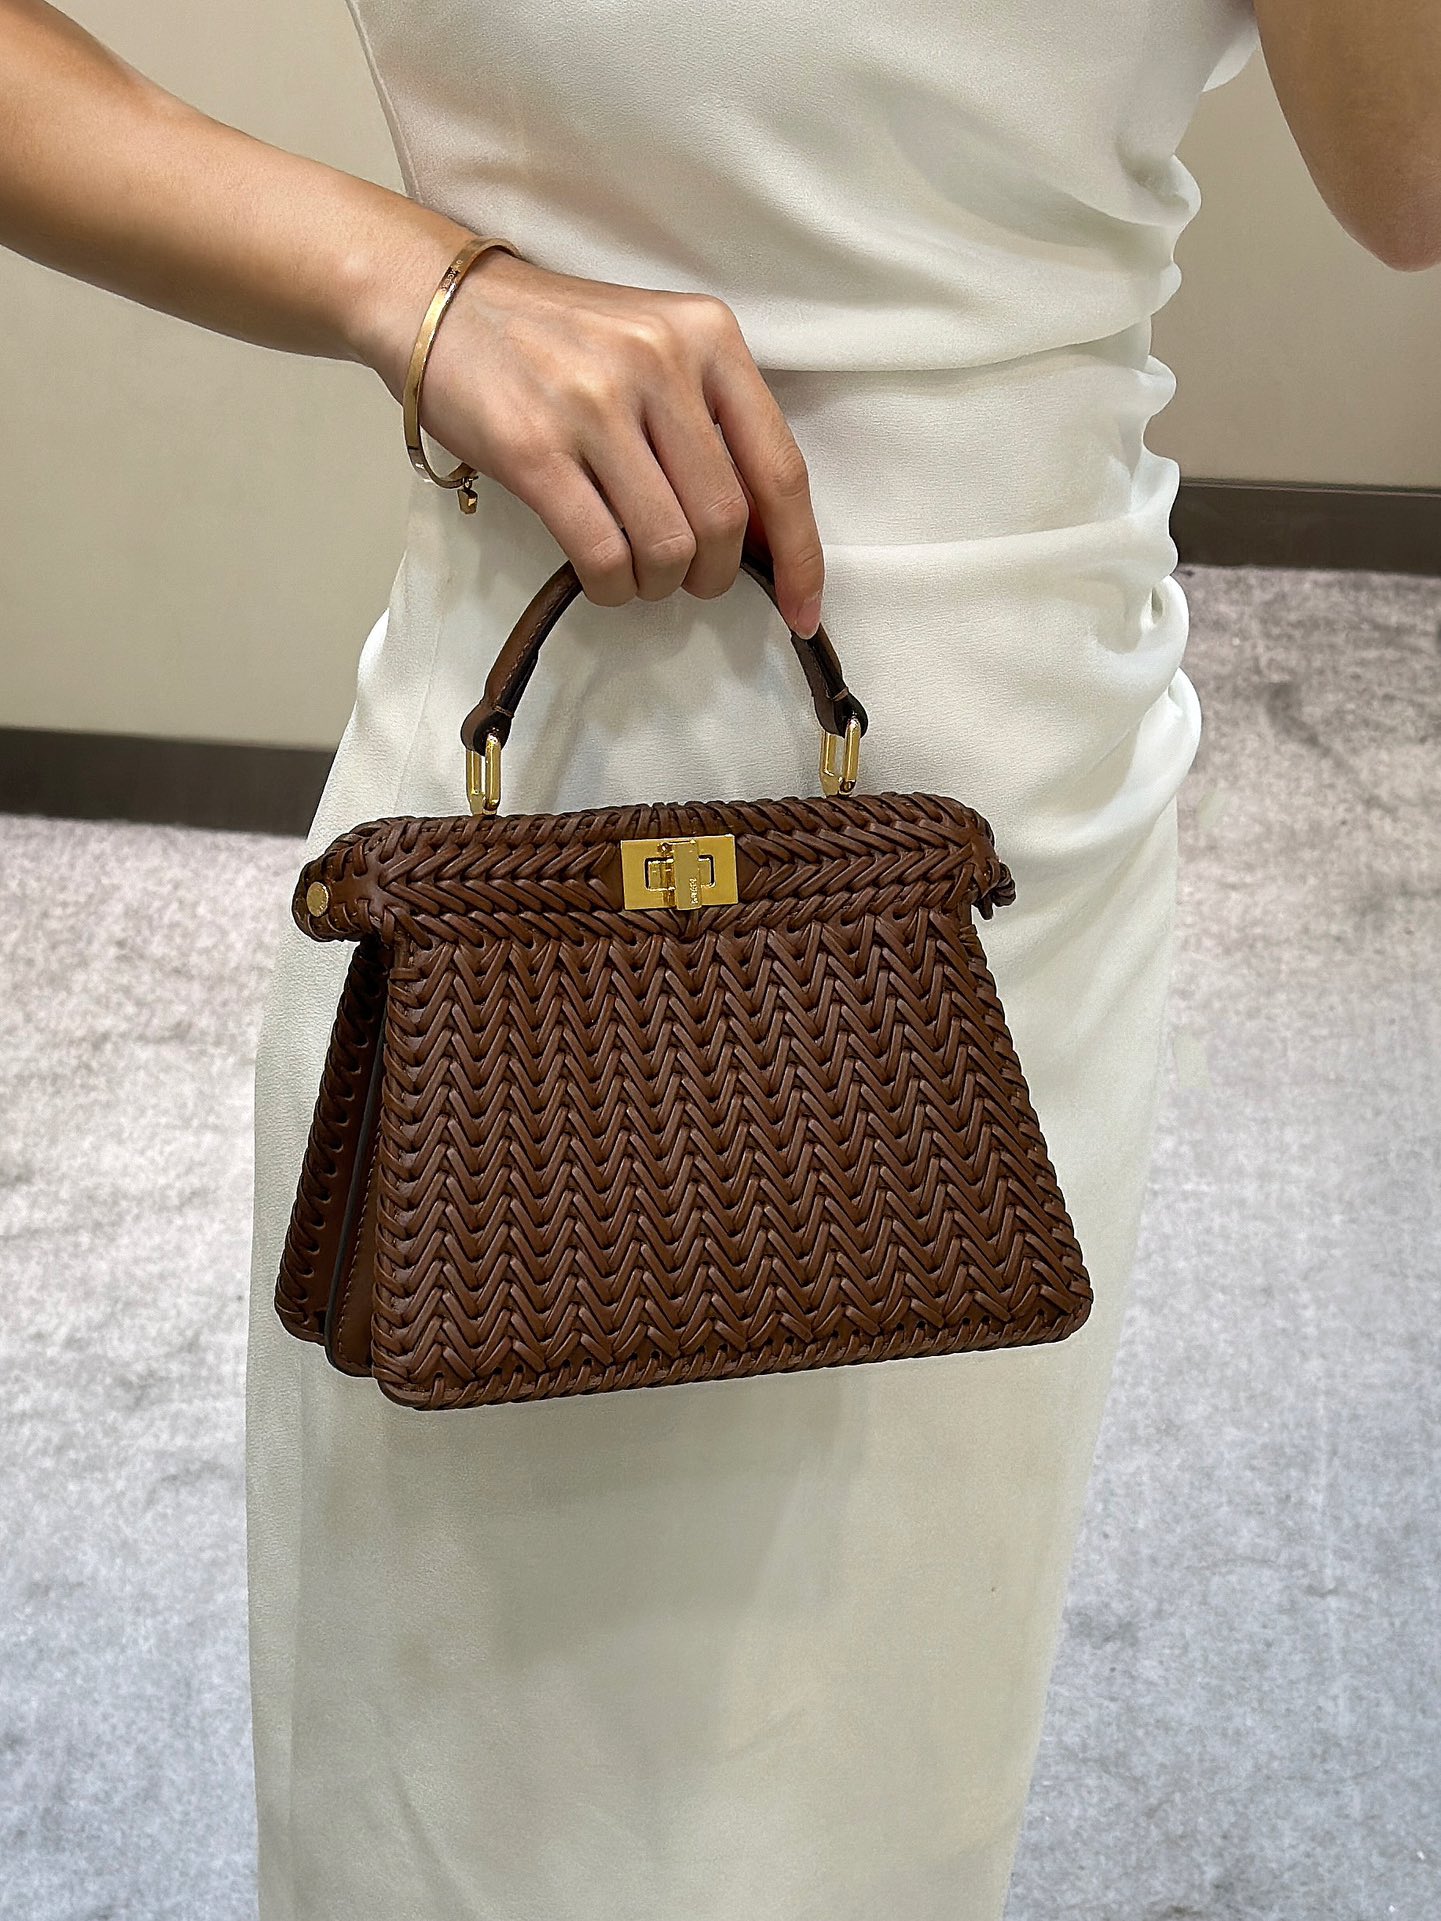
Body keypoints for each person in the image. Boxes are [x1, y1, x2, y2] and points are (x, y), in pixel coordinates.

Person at [4, 2, 1437, 1915]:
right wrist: (403, 280)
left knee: (877, 1776)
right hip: (523, 830)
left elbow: (1407, 179)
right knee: (466, 1801)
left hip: (998, 824)